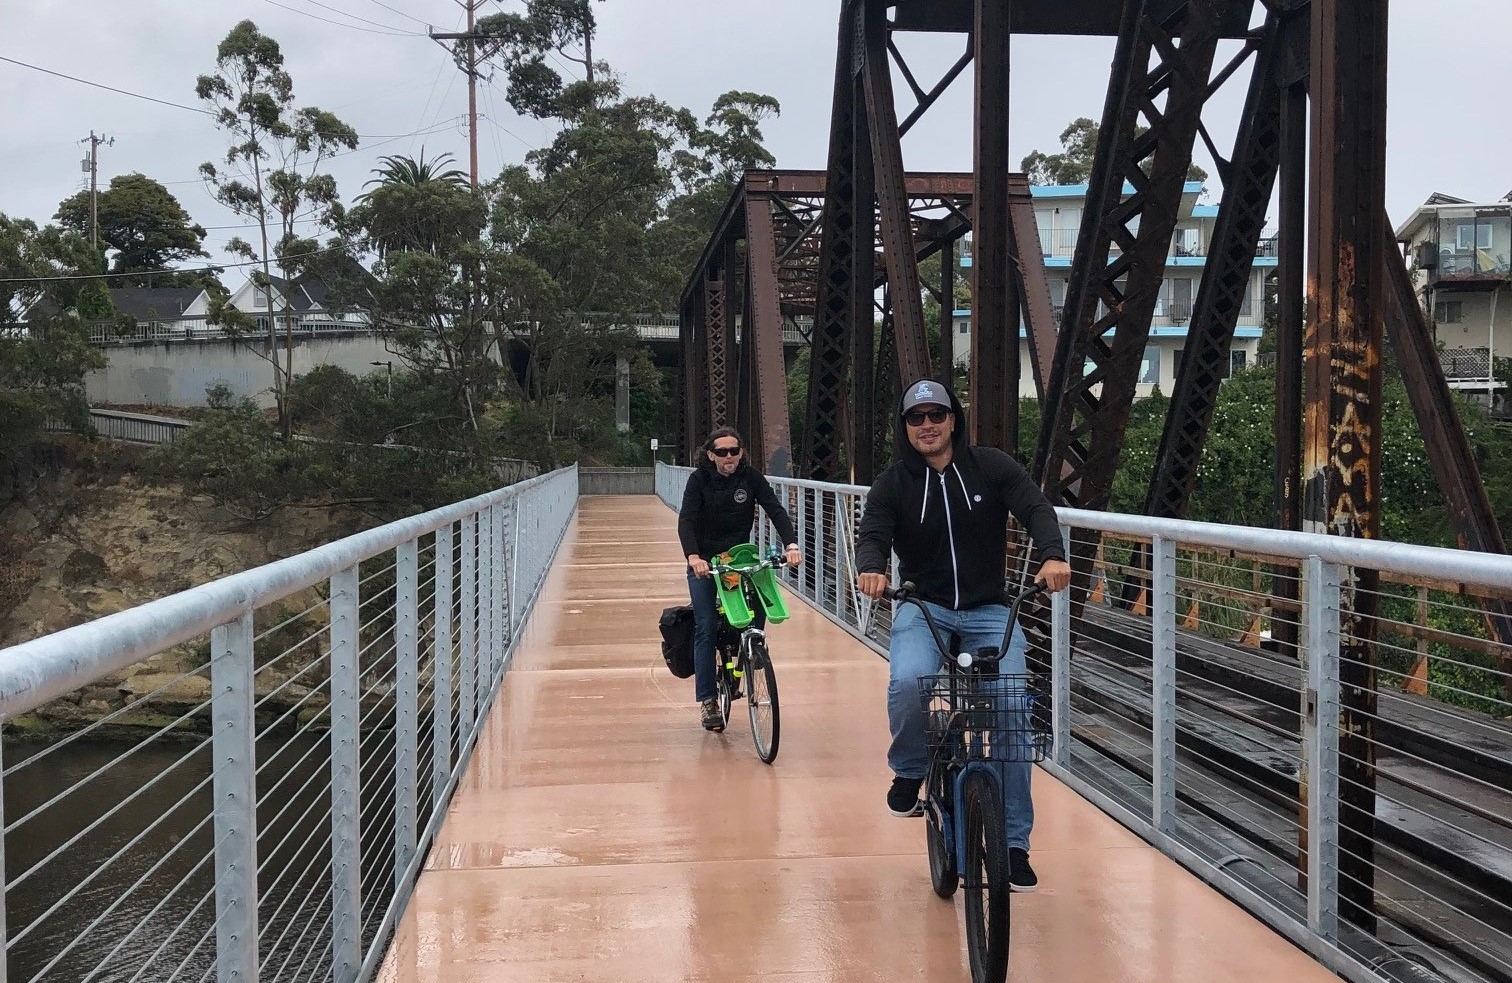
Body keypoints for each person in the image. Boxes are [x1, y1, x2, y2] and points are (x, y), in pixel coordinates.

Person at [855, 377, 1071, 893]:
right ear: (905, 427)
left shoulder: (990, 467)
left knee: (1011, 711)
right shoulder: (894, 483)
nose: (927, 425)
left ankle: (1013, 844)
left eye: (937, 415)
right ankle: (909, 770)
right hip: (923, 605)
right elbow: (873, 533)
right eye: (916, 418)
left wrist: (1053, 552)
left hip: (988, 610)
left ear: (954, 418)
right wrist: (871, 568)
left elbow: (1036, 506)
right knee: (909, 681)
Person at [678, 427, 802, 731]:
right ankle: (708, 700)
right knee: (706, 626)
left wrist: (792, 545)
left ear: (741, 452)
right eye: (722, 452)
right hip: (706, 563)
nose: (729, 456)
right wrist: (694, 557)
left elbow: (775, 509)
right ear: (711, 456)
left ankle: (753, 643)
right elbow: (687, 520)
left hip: (739, 558)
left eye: (734, 450)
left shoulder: (751, 478)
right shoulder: (699, 480)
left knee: (761, 593)